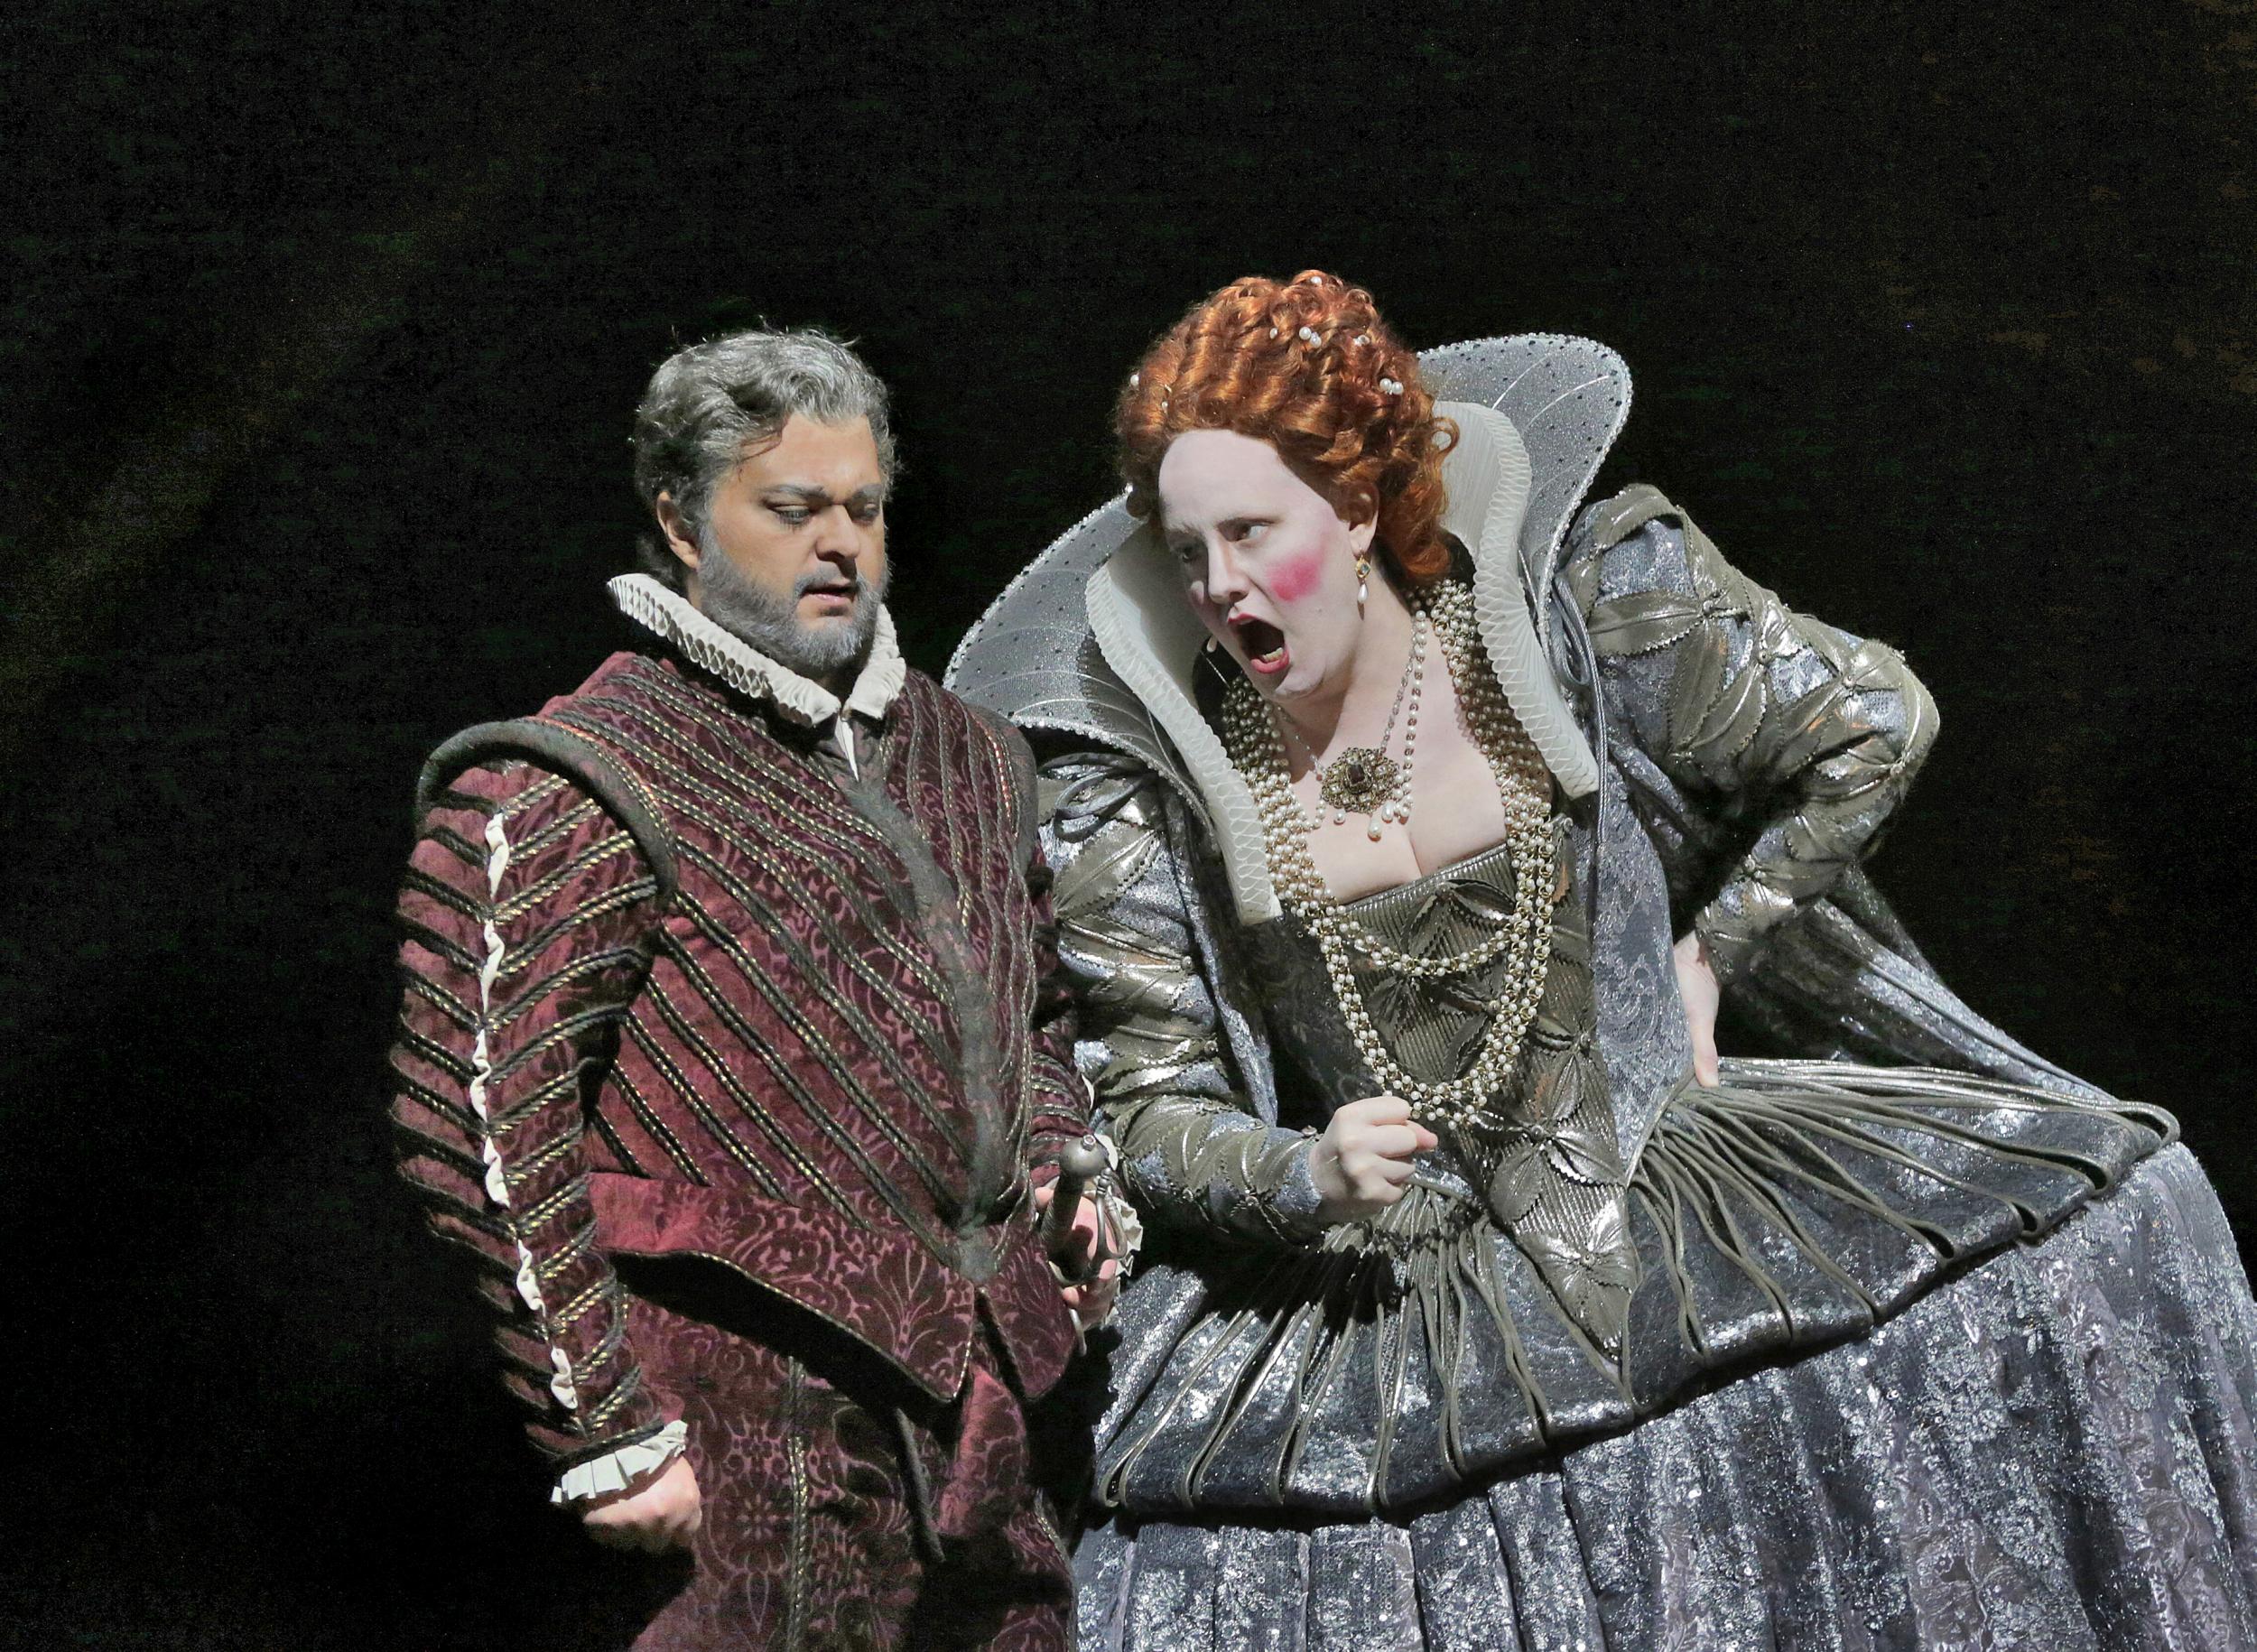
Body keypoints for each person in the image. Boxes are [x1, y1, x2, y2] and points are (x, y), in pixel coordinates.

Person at [946, 273, 2257, 1647]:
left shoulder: (1573, 611)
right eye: (1186, 551)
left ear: (1355, 507)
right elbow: (1146, 1105)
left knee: (2117, 1235)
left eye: (1250, 532)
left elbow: (1874, 720)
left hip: (1686, 1189)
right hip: (1404, 1298)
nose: (1218, 586)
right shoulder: (1149, 788)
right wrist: (1302, 1170)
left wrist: (1714, 951)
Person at [386, 327, 1115, 1650]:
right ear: (681, 520)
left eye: (863, 508)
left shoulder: (971, 755)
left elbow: (1038, 1013)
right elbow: (482, 1114)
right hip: (738, 1413)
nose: (839, 544)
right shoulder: (580, 778)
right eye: (791, 509)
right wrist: (602, 1424)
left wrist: (1068, 1173)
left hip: (986, 1404)